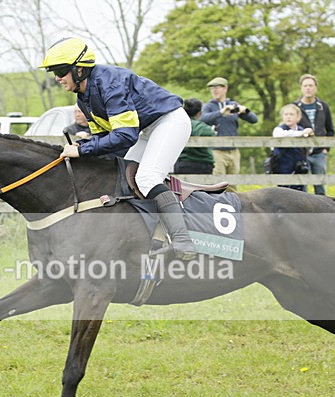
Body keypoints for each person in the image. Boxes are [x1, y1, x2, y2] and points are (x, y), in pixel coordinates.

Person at [39, 36, 195, 260]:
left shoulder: (109, 83)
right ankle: (149, 237)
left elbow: (124, 136)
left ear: (79, 70)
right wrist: (82, 146)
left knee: (147, 178)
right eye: (54, 72)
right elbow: (103, 136)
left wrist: (82, 150)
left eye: (61, 71)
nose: (57, 78)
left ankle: (182, 241)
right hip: (147, 129)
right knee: (123, 176)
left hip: (170, 121)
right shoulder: (84, 96)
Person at [199, 77, 258, 175]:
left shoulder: (233, 104)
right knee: (218, 183)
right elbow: (203, 118)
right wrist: (221, 112)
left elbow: (254, 120)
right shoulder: (208, 106)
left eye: (217, 87)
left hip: (233, 150)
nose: (214, 90)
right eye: (212, 88)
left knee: (233, 184)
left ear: (225, 88)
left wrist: (245, 111)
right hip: (216, 151)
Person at [293, 74, 334, 195]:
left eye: (311, 85)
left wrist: (326, 148)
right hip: (301, 153)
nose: (308, 88)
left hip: (319, 153)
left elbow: (330, 129)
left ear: (315, 88)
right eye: (305, 85)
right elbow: (290, 127)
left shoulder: (323, 106)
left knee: (320, 185)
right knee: (301, 186)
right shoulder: (295, 107)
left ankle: (322, 213)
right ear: (301, 88)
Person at [272, 103, 314, 191]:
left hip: (299, 168)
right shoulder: (279, 129)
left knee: (301, 193)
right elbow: (280, 135)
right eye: (286, 114)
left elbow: (310, 148)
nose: (288, 117)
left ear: (298, 117)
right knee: (284, 193)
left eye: (291, 114)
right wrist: (301, 134)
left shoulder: (302, 129)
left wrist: (308, 136)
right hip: (283, 167)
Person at [174, 98, 215, 175]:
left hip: (180, 163)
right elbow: (211, 133)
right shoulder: (201, 127)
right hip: (201, 164)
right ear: (200, 113)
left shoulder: (176, 124)